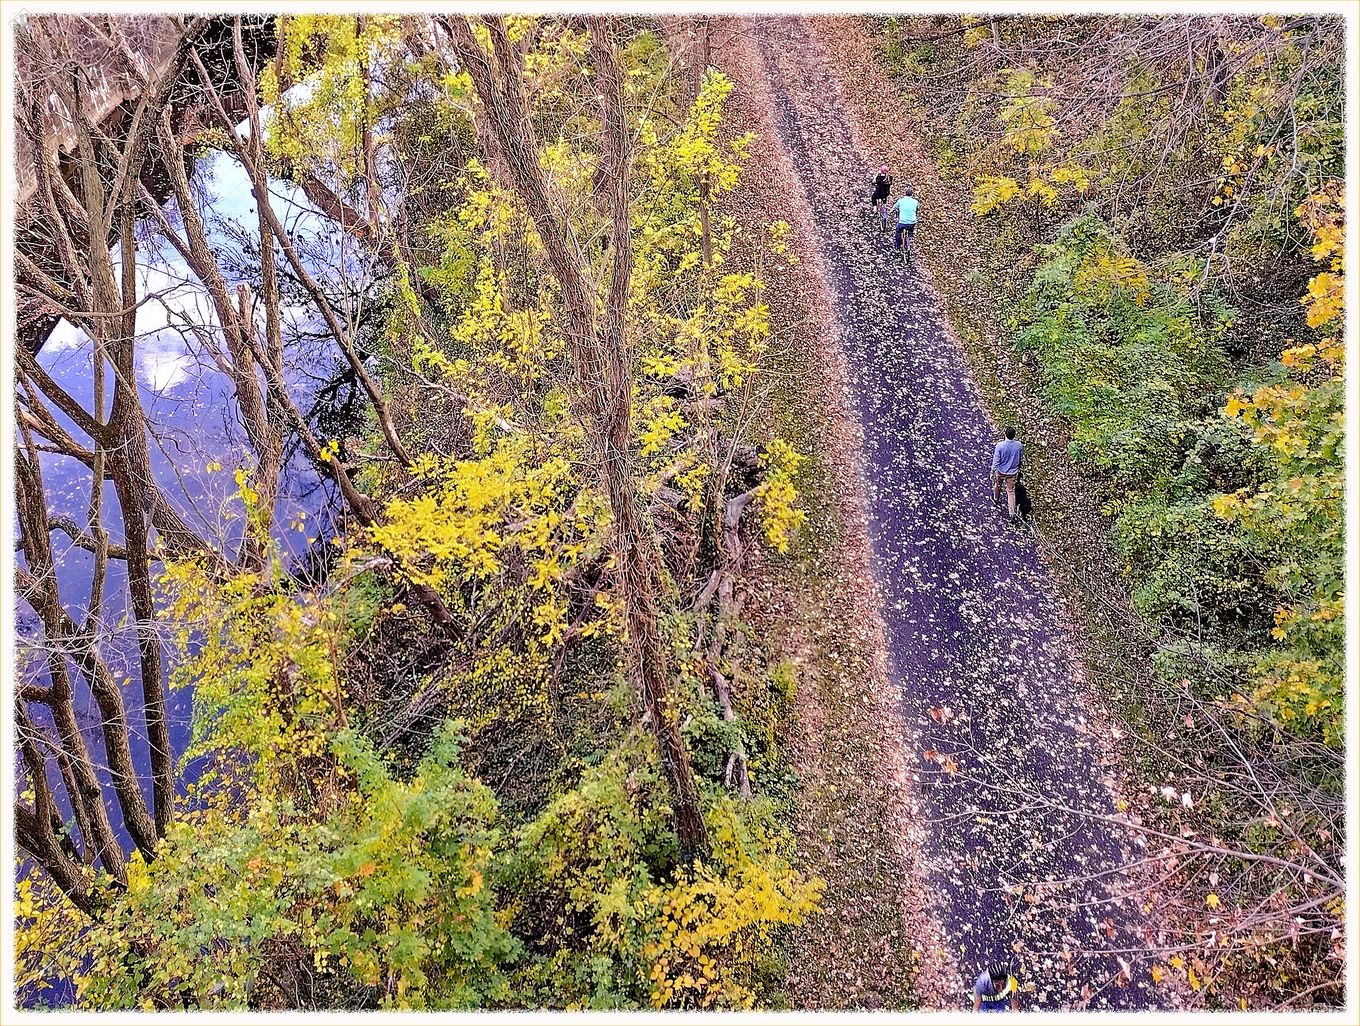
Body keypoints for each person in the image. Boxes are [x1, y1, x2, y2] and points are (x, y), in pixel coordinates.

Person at [991, 426, 1023, 519]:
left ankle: (996, 499)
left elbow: (996, 460)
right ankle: (1011, 514)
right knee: (1011, 492)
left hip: (1001, 471)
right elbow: (1020, 458)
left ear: (1005, 434)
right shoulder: (1019, 445)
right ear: (1014, 435)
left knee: (997, 485)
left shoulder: (1000, 446)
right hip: (1012, 473)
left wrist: (993, 470)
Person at [894, 187, 919, 262]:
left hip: (903, 222)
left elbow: (895, 207)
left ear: (905, 194)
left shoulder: (901, 201)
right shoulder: (915, 201)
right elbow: (918, 208)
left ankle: (898, 246)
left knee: (898, 232)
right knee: (910, 228)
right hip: (912, 222)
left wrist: (890, 212)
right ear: (912, 195)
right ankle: (910, 236)